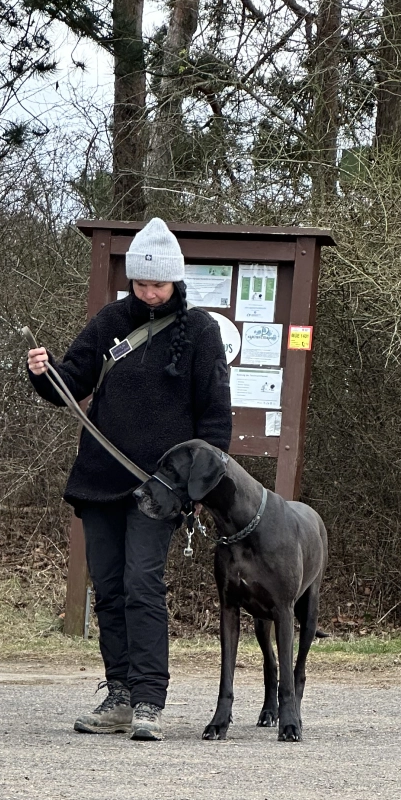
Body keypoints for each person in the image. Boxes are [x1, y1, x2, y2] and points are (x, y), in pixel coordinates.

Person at [28, 217, 232, 740]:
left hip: (160, 488)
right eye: (141, 283)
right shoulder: (110, 320)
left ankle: (148, 700)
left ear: (176, 281)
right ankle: (118, 693)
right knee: (111, 588)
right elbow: (70, 386)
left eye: (157, 284)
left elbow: (214, 426)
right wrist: (42, 373)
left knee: (143, 584)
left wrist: (195, 492)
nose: (148, 293)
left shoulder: (202, 333)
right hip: (99, 477)